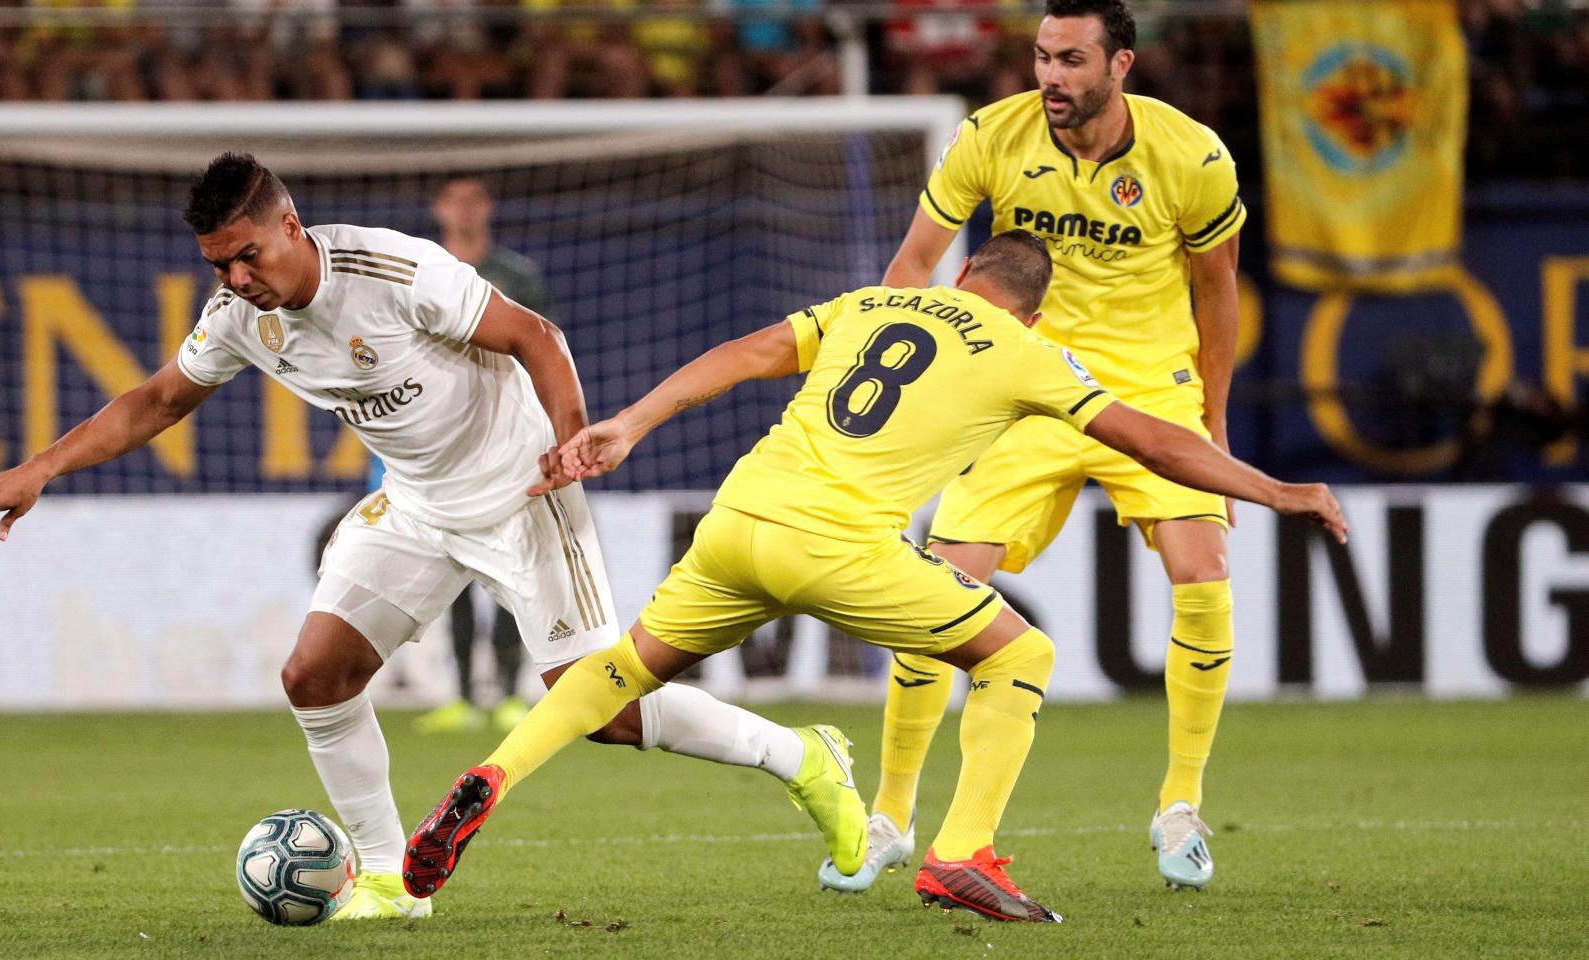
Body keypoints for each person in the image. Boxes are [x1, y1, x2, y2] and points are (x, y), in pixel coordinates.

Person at [0, 153, 866, 923]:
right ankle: (392, 878)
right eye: (217, 266)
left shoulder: (393, 270)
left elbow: (536, 335)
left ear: (290, 224)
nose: (236, 279)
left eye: (246, 256)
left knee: (607, 713)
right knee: (314, 676)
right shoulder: (240, 317)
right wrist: (41, 467)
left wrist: (570, 438)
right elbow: (157, 400)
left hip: (523, 494)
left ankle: (803, 757)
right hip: (419, 506)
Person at [397, 230, 1347, 922]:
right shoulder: (1025, 349)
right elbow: (1146, 436)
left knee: (625, 668)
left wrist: (631, 423)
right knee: (1021, 655)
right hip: (841, 547)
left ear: (964, 273)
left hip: (738, 522)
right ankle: (962, 851)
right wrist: (1272, 488)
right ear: (1033, 306)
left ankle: (491, 773)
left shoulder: (870, 303)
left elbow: (746, 354)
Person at [866, 0, 1248, 893]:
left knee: (1203, 569)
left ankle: (1180, 804)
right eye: (1041, 57)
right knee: (937, 587)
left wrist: (1216, 429)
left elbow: (1219, 293)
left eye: (1071, 60)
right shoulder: (990, 137)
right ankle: (890, 812)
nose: (1050, 78)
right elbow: (912, 266)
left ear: (1121, 66)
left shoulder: (1190, 156)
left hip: (1150, 392)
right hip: (1026, 390)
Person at [410, 177, 553, 735]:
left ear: (489, 208)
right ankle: (467, 697)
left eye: (476, 199)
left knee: (517, 568)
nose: (466, 210)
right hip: (438, 443)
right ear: (439, 208)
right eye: (456, 200)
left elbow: (546, 348)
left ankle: (514, 692)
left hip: (508, 440)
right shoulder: (419, 272)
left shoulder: (518, 277)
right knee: (454, 572)